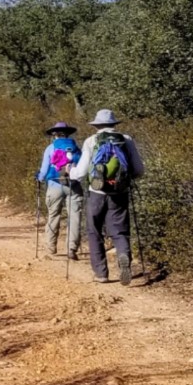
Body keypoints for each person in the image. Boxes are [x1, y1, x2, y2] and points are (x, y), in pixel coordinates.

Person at [79, 109, 145, 283]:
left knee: (94, 231)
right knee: (120, 231)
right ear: (114, 124)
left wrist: (72, 174)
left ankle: (101, 273)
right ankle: (124, 256)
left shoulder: (91, 141)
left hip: (97, 193)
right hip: (120, 192)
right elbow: (139, 170)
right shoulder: (126, 140)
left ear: (97, 125)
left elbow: (81, 172)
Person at [34, 121, 84, 259]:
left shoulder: (50, 148)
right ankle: (72, 249)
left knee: (53, 215)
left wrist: (39, 178)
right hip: (73, 185)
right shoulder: (76, 148)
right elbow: (81, 167)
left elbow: (44, 170)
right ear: (68, 134)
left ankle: (51, 247)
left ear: (54, 135)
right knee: (74, 217)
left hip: (55, 185)